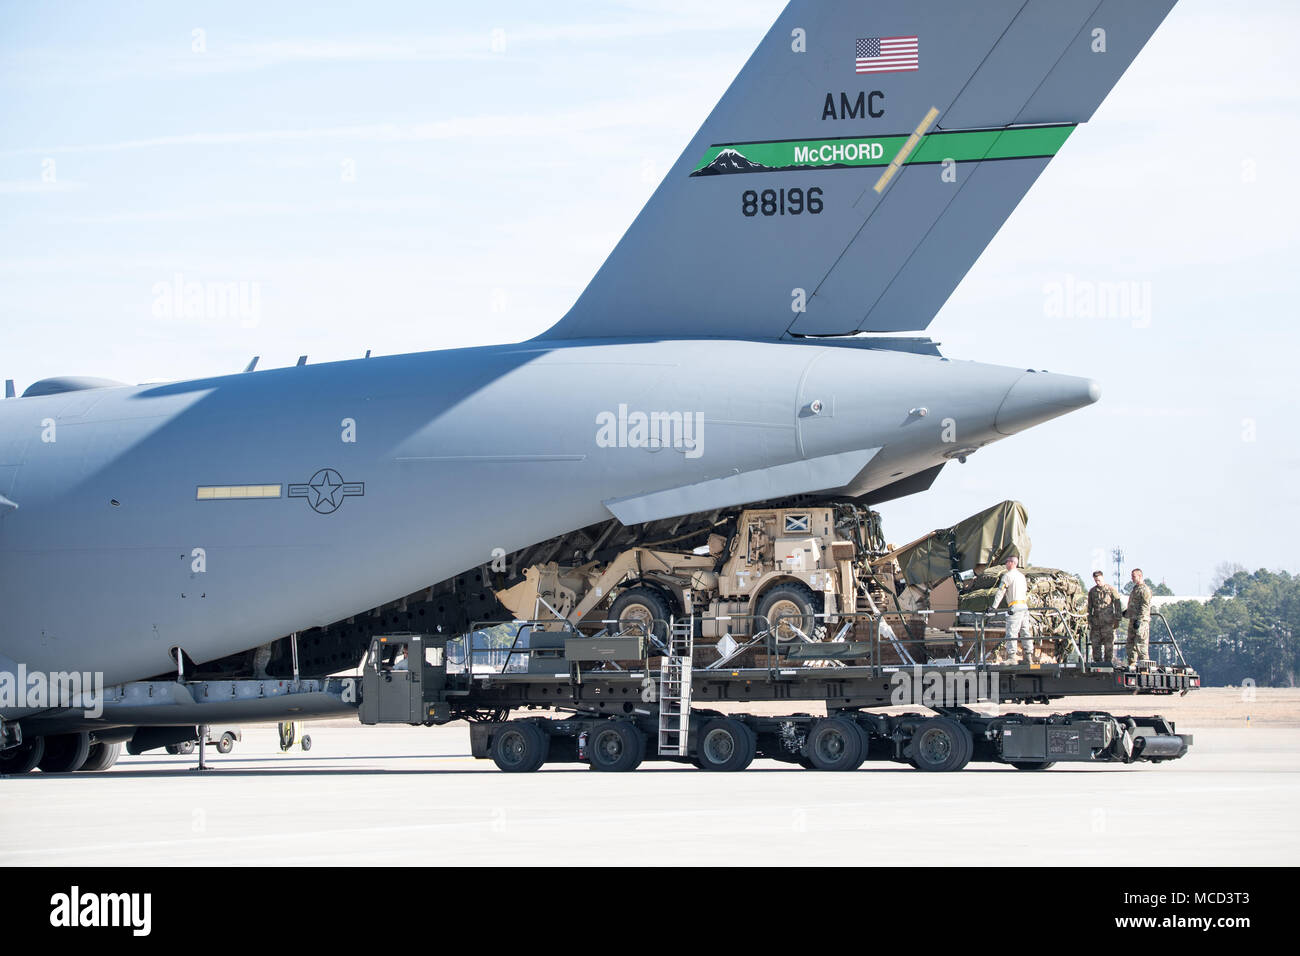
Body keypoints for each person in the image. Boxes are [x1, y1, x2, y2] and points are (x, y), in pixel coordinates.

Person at [989, 556, 1034, 664]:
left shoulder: (1007, 576)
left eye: (1006, 562)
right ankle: (1028, 657)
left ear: (1012, 563)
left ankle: (1011, 657)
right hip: (1024, 607)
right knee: (1025, 632)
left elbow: (1001, 592)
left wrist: (994, 607)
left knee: (1011, 632)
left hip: (1015, 607)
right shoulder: (1022, 576)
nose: (1005, 564)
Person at [1087, 570, 1123, 665]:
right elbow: (1089, 607)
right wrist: (1089, 620)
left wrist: (1117, 619)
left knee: (1108, 646)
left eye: (1098, 580)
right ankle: (1098, 663)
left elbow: (1117, 604)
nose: (1097, 582)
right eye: (1095, 580)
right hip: (1096, 624)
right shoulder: (1092, 591)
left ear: (1102, 578)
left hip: (1108, 623)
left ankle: (1108, 663)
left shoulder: (1111, 590)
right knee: (1095, 645)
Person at [1124, 568, 1153, 667]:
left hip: (1141, 622)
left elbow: (1145, 606)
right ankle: (1132, 664)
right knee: (1130, 645)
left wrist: (1140, 620)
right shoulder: (1135, 589)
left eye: (1134, 576)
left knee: (1141, 645)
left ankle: (1145, 667)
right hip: (1133, 619)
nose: (1132, 578)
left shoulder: (1145, 590)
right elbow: (1133, 604)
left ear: (1140, 576)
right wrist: (1127, 613)